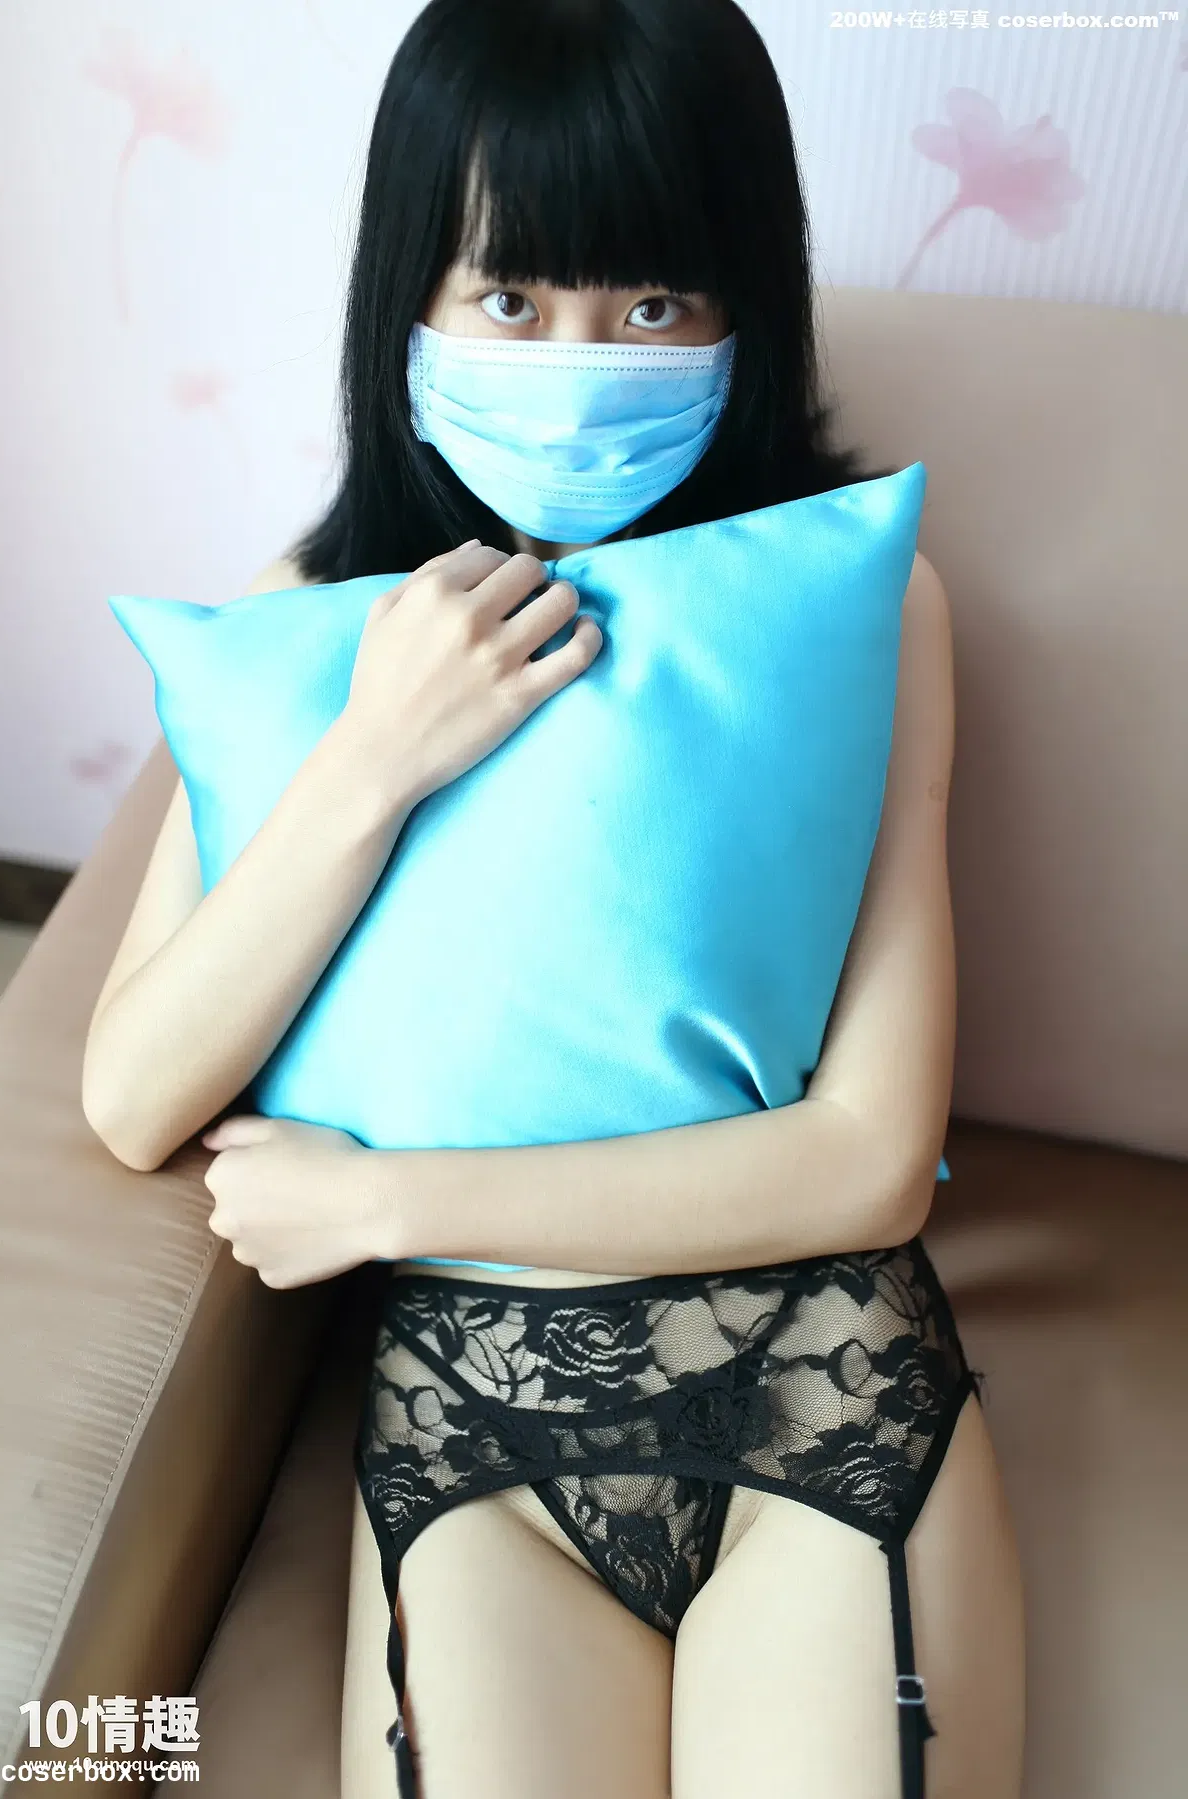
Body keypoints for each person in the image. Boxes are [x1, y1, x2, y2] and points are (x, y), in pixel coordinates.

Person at [81, 1, 1026, 1795]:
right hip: (478, 1437)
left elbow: (870, 1160)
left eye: (654, 305)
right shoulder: (303, 626)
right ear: (410, 299)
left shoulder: (860, 604)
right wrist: (375, 758)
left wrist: (384, 1201)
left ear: (748, 309)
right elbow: (132, 1092)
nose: (581, 365)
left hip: (817, 1374)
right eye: (510, 300)